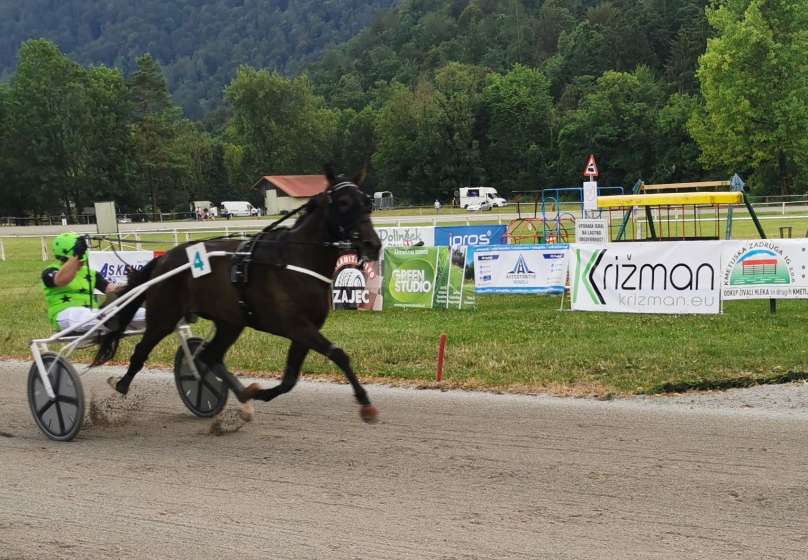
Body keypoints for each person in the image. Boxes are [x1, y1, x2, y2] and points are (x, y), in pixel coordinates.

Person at [41, 233, 146, 333]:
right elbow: (61, 280)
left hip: (94, 314)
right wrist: (76, 256)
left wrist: (132, 284)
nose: (81, 262)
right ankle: (109, 319)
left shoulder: (91, 273)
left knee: (137, 312)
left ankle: (157, 314)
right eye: (80, 259)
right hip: (65, 315)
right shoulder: (50, 271)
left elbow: (111, 289)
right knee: (79, 313)